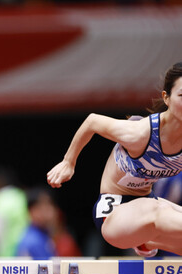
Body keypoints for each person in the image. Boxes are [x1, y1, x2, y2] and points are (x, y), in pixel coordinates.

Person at [47, 61, 182, 257]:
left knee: (158, 208)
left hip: (146, 208)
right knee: (156, 208)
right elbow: (92, 121)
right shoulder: (140, 133)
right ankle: (144, 238)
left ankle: (145, 241)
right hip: (114, 216)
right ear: (166, 98)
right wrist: (69, 162)